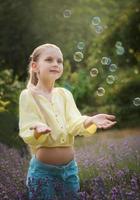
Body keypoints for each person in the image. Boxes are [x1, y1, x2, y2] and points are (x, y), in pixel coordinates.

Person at [18, 43, 117, 200]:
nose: (56, 64)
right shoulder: (28, 95)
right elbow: (27, 125)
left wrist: (89, 120)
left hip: (70, 170)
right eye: (49, 60)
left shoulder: (64, 94)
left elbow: (73, 122)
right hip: (43, 172)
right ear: (35, 66)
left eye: (59, 61)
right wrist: (36, 129)